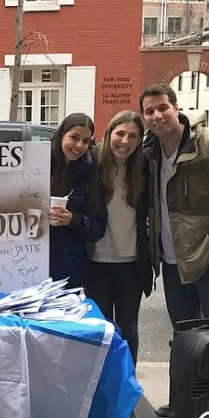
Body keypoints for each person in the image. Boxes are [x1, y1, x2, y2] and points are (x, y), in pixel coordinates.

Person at [139, 84, 209, 418]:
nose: (157, 116)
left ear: (176, 108)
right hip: (173, 264)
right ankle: (186, 403)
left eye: (162, 108)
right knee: (185, 337)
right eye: (149, 111)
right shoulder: (150, 153)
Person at [85, 111, 155, 364]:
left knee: (128, 331)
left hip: (132, 264)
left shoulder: (146, 167)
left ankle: (127, 388)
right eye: (120, 133)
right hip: (96, 263)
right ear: (109, 133)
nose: (125, 141)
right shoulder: (90, 163)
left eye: (133, 136)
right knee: (101, 332)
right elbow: (54, 157)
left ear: (140, 141)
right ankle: (102, 388)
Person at [47, 112, 108, 289]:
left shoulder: (92, 174)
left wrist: (73, 220)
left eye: (86, 141)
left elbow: (98, 228)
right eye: (74, 137)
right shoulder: (36, 164)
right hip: (28, 265)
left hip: (69, 272)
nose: (79, 145)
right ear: (61, 135)